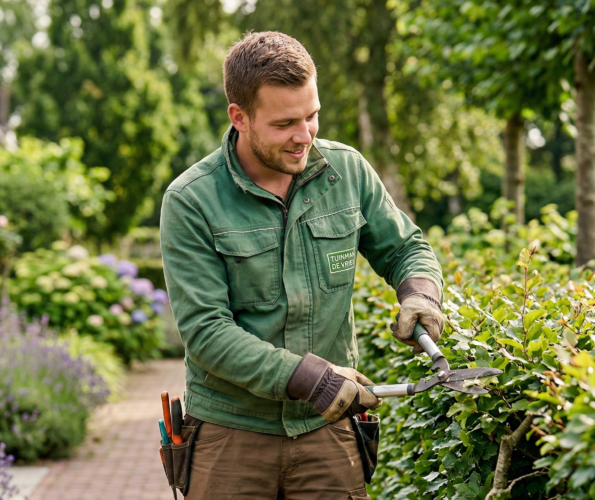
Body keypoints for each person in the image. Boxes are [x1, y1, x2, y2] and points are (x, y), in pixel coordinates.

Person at [159, 31, 444, 499]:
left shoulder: (346, 172)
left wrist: (420, 295)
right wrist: (312, 379)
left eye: (312, 116)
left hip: (327, 435)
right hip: (231, 436)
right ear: (240, 117)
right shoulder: (191, 200)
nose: (304, 136)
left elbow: (405, 247)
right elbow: (207, 332)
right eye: (285, 123)